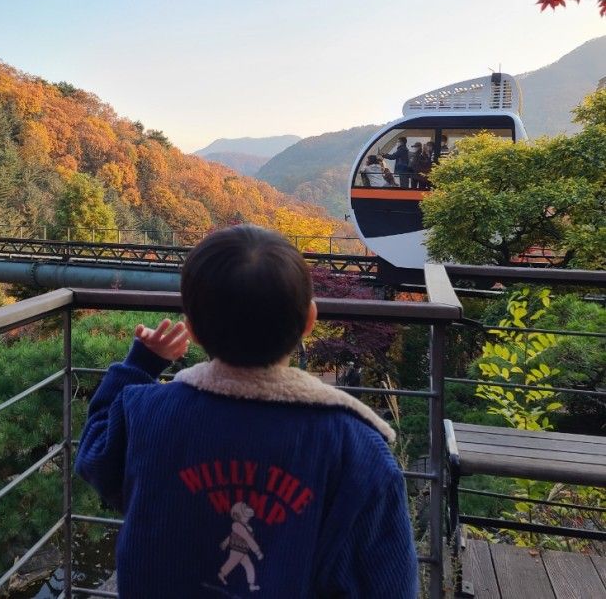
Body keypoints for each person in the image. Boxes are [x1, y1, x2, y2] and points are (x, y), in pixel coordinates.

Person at [75, 225, 418, 598]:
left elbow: (95, 456)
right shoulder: (358, 449)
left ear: (193, 330)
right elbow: (388, 583)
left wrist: (138, 366)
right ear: (308, 320)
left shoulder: (147, 413)